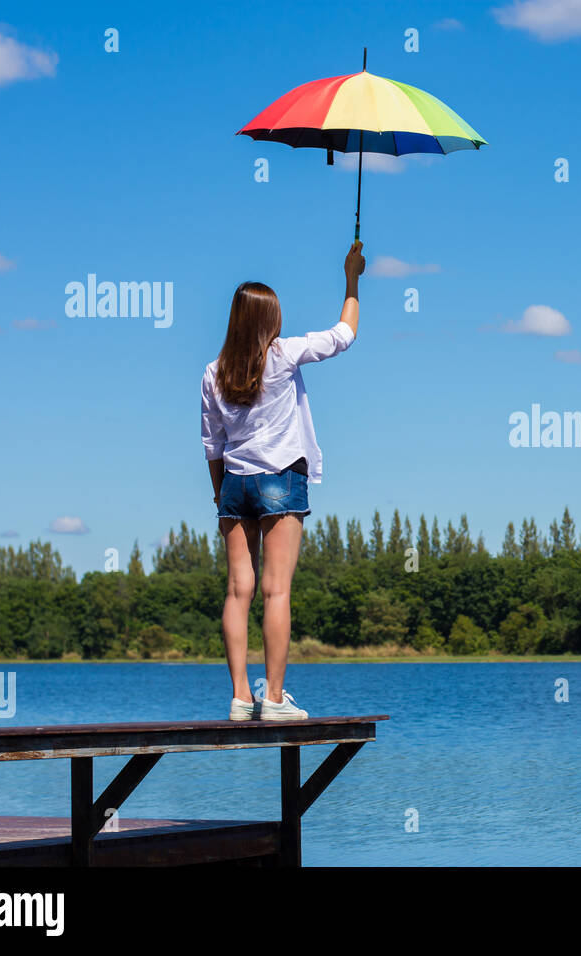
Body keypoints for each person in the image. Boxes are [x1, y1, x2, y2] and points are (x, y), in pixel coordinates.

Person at [200, 242, 365, 720]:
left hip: (234, 483)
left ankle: (239, 697)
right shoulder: (285, 354)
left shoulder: (213, 373)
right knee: (277, 591)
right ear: (270, 320)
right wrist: (352, 277)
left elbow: (211, 445)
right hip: (280, 480)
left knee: (237, 591)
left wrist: (220, 497)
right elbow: (344, 334)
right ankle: (273, 698)